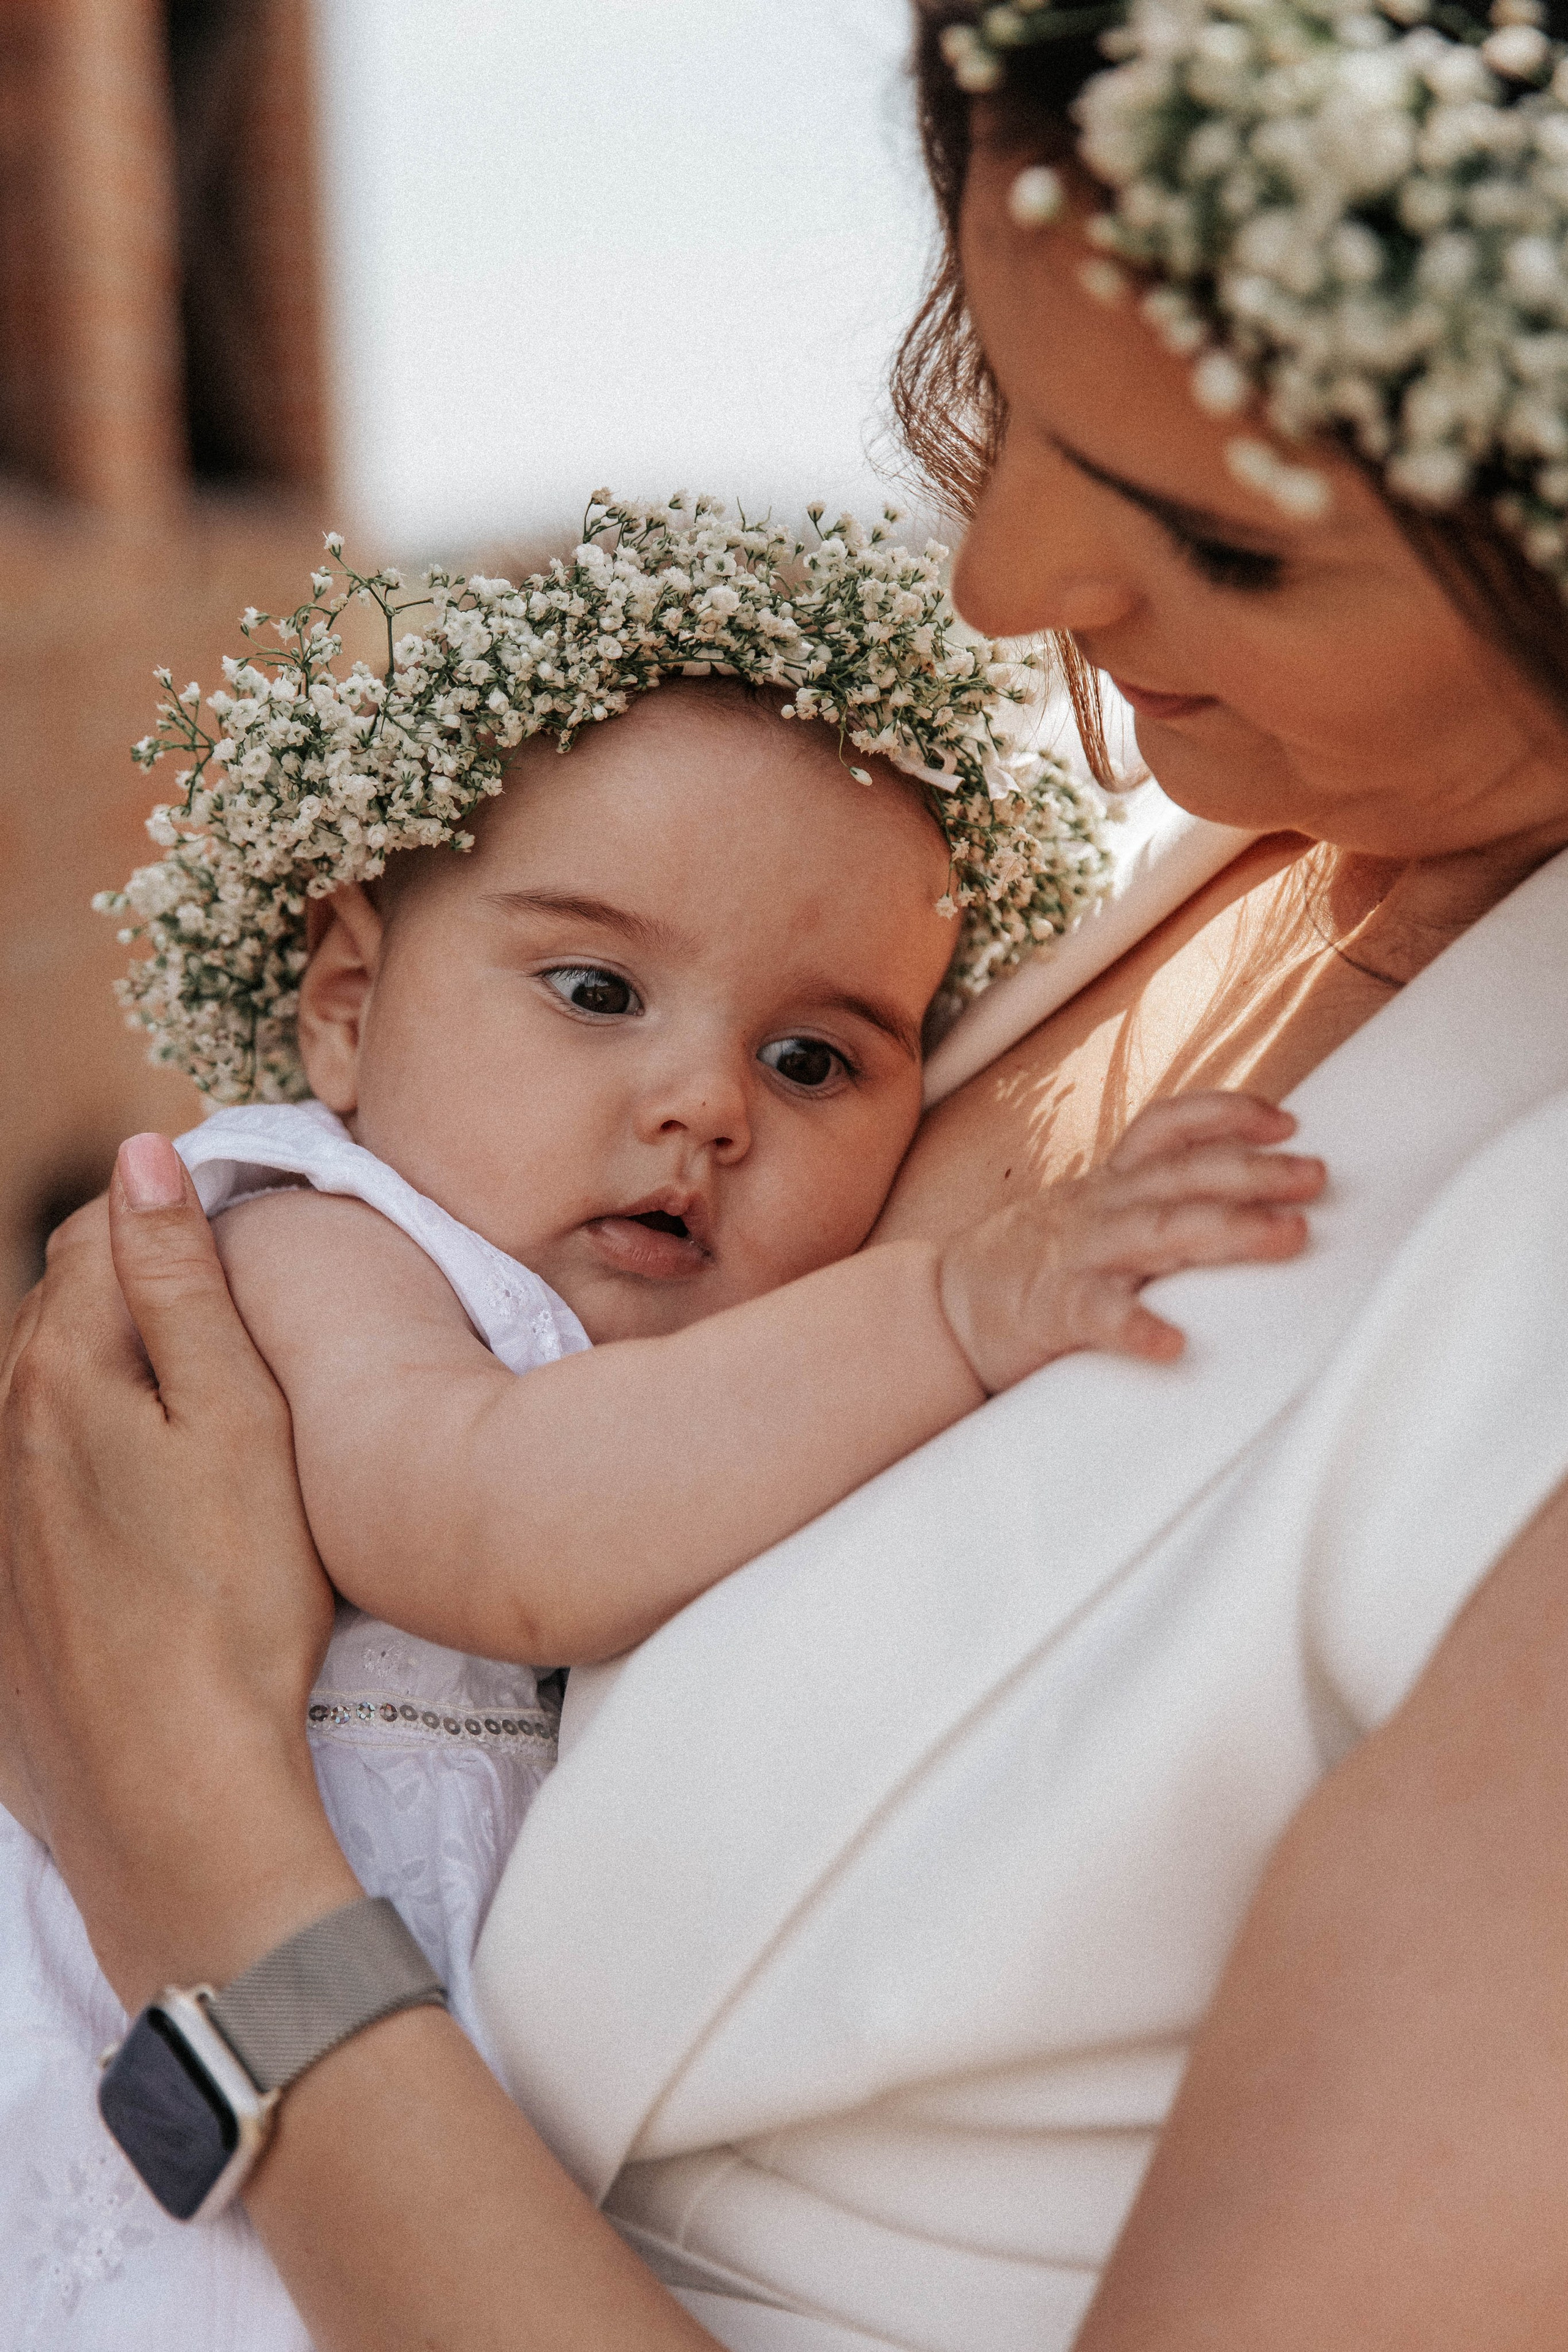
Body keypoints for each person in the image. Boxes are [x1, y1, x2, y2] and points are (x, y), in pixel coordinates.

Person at [7, 0, 1568, 2344]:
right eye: (1010, 401)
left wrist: (199, 1871)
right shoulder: (1147, 869)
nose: (1003, 584)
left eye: (1220, 540)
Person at [0, 538, 1316, 2351]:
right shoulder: (313, 1247)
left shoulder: (692, 1365)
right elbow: (489, 1521)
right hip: (156, 2127)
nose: (704, 1103)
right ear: (347, 1007)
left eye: (813, 1060)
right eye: (597, 992)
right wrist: (956, 1308)